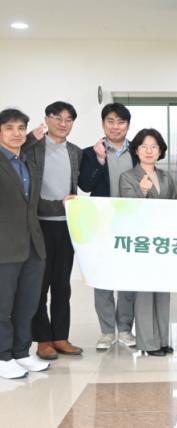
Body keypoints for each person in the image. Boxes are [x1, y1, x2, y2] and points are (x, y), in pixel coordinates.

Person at [23, 101, 83, 360]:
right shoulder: (33, 148)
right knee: (39, 285)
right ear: (46, 119)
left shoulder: (75, 152)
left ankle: (60, 336)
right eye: (57, 117)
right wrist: (28, 138)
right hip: (39, 225)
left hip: (66, 225)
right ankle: (42, 339)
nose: (62, 123)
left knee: (62, 285)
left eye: (68, 119)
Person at [78, 102, 137, 351]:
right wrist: (100, 160)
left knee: (128, 280)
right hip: (101, 223)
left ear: (128, 125)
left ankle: (124, 329)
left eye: (121, 122)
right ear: (103, 124)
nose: (116, 126)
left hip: (131, 223)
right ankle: (106, 332)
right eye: (110, 121)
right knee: (102, 278)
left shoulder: (138, 150)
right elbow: (85, 185)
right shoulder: (90, 153)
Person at [120, 129, 177, 357]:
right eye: (144, 146)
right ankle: (148, 343)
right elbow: (129, 209)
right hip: (142, 242)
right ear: (136, 150)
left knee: (163, 292)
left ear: (160, 151)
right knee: (144, 294)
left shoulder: (166, 176)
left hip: (163, 242)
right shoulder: (127, 177)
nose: (149, 151)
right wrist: (142, 192)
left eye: (154, 147)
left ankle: (163, 340)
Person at [0, 108, 49, 379]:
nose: (16, 133)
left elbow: (33, 204)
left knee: (27, 304)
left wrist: (66, 203)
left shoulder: (28, 162)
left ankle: (21, 352)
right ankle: (2, 356)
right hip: (4, 247)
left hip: (33, 246)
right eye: (9, 128)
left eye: (21, 128)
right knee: (2, 306)